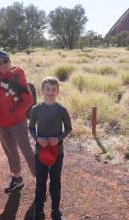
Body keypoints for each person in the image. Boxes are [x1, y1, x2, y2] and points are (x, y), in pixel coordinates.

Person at [29, 77, 72, 220]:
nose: (50, 92)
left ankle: (55, 210)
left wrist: (58, 138)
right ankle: (39, 211)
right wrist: (37, 138)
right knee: (40, 182)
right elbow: (30, 127)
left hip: (57, 153)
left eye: (53, 89)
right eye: (47, 89)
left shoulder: (62, 110)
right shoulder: (36, 110)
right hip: (40, 152)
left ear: (58, 91)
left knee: (55, 181)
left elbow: (68, 128)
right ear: (42, 91)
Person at [0, 50, 36, 193]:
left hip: (17, 122)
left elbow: (28, 100)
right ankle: (17, 179)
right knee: (10, 152)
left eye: (5, 60)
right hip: (1, 123)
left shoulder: (17, 75)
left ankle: (40, 179)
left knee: (26, 150)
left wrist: (13, 114)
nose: (3, 64)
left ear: (10, 61)